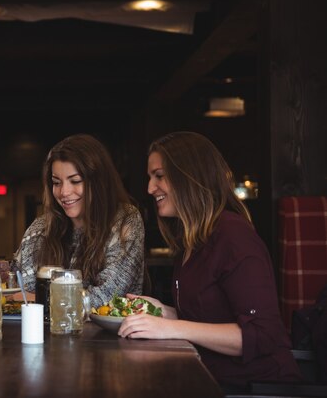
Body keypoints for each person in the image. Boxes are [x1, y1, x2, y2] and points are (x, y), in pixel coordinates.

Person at [118, 131, 301, 391]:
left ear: (189, 176)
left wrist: (171, 328)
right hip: (207, 380)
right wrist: (163, 312)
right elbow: (210, 316)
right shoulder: (192, 238)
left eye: (159, 176)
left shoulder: (233, 236)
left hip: (256, 387)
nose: (149, 188)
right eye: (150, 177)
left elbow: (262, 335)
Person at [17, 134, 145, 309]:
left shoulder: (125, 220)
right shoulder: (40, 228)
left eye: (75, 181)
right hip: (44, 335)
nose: (64, 192)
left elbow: (106, 297)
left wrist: (40, 300)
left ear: (98, 181)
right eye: (56, 182)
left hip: (106, 336)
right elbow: (15, 290)